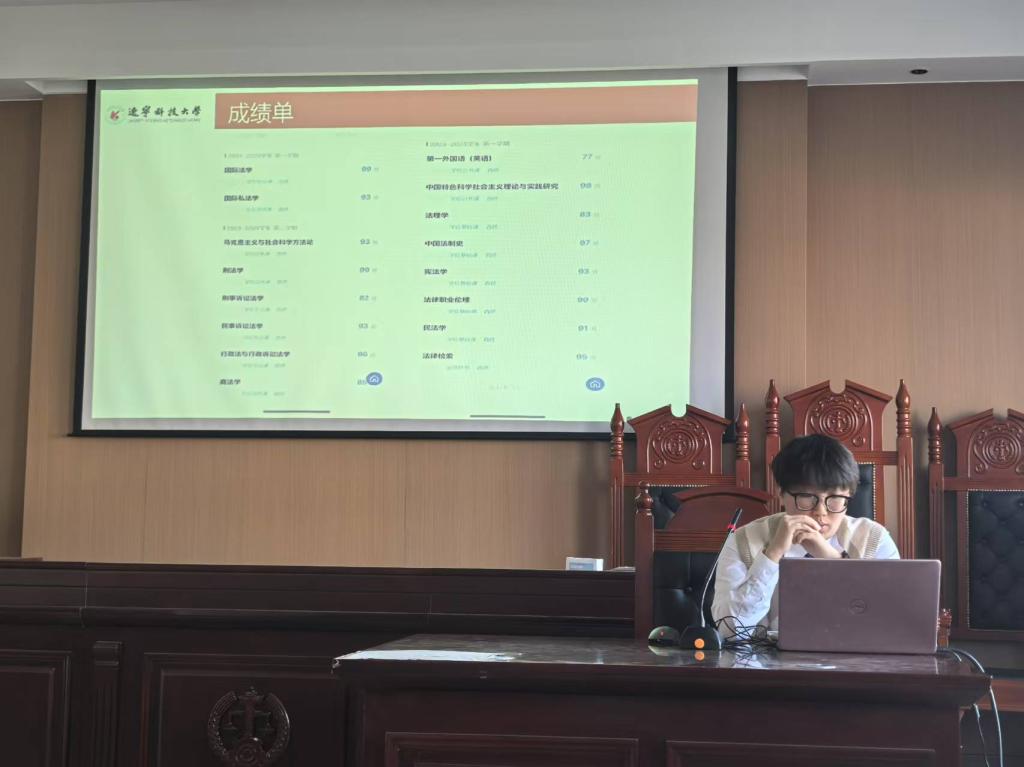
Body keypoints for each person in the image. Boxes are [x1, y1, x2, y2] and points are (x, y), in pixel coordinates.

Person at [711, 434, 898, 635]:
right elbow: (729, 630)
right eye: (807, 497)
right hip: (766, 655)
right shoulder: (743, 541)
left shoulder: (874, 539)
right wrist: (772, 555)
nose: (821, 512)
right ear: (781, 493)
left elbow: (891, 622)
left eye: (835, 498)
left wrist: (833, 560)